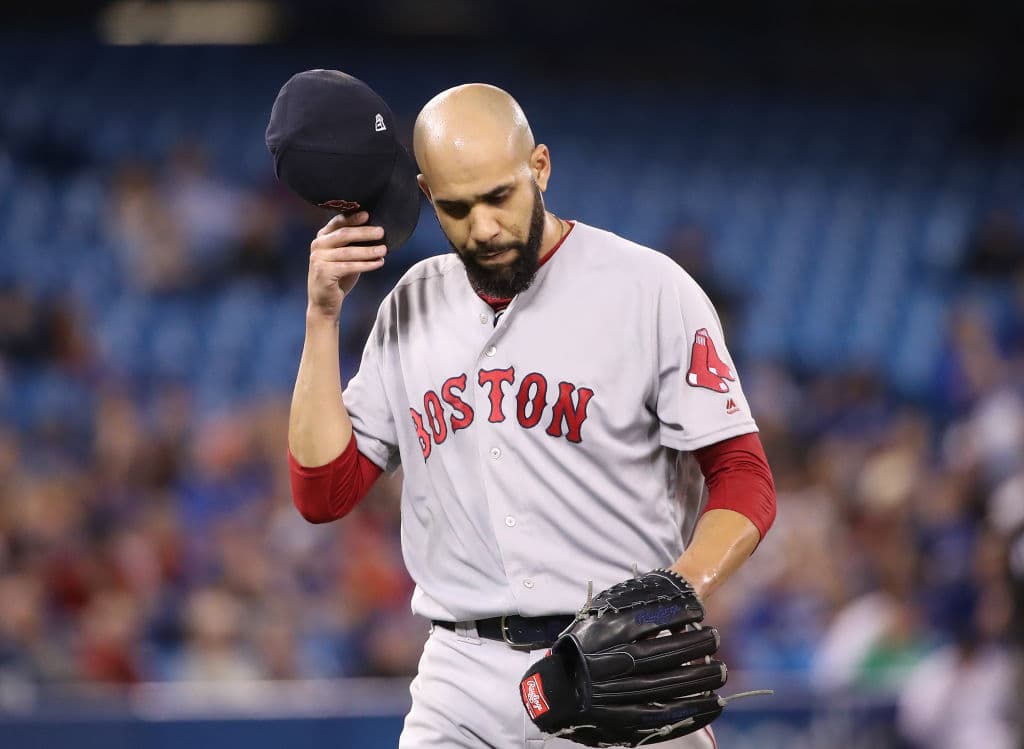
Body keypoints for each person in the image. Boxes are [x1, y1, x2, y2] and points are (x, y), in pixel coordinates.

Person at [287, 83, 776, 748]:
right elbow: (324, 491)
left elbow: (744, 476)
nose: (483, 226)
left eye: (500, 196)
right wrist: (322, 317)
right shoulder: (410, 303)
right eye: (458, 207)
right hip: (459, 675)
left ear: (540, 167)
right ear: (427, 194)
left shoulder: (649, 290)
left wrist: (675, 595)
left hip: (617, 662)